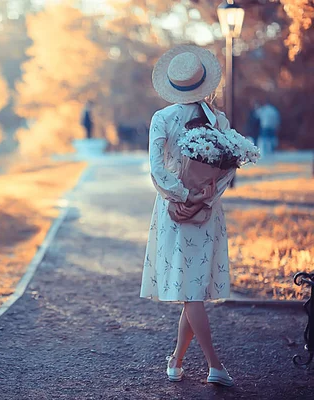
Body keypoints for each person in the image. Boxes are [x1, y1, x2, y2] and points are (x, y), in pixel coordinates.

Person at [140, 45, 236, 387]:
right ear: (204, 82)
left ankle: (212, 366)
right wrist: (206, 197)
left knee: (191, 291)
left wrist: (181, 196)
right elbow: (228, 169)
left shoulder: (162, 118)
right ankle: (181, 361)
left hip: (174, 210)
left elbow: (155, 169)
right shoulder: (219, 120)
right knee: (191, 289)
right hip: (206, 211)